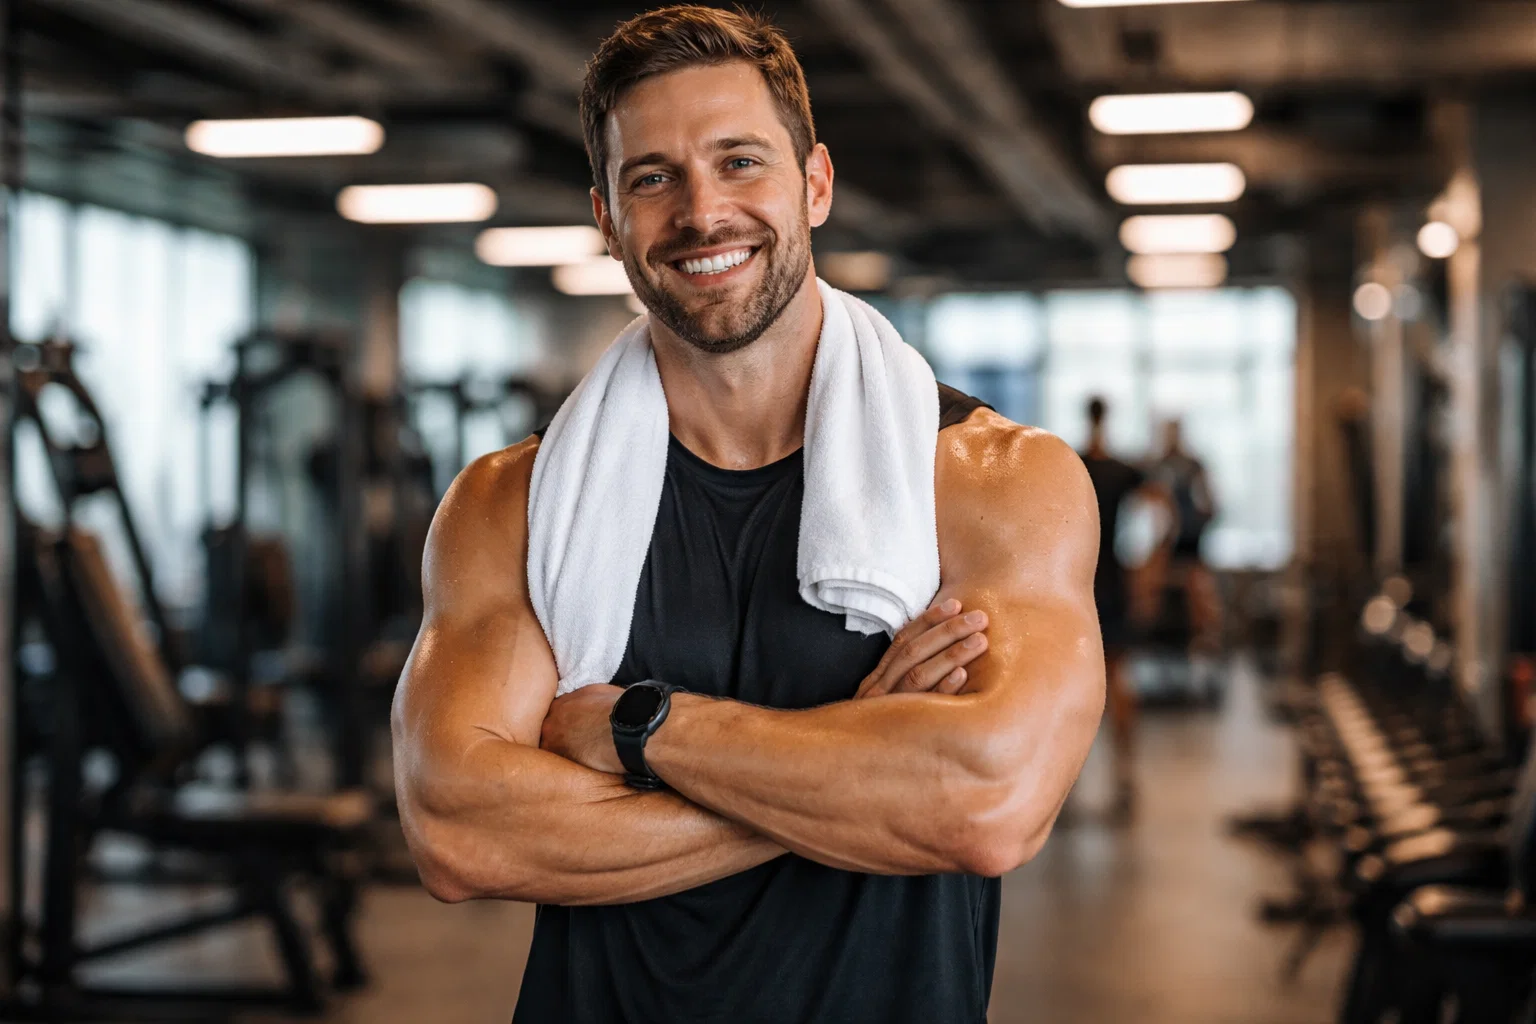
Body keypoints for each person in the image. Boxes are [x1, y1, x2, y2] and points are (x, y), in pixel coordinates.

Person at [391, 8, 1104, 1022]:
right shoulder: (512, 502)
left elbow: (987, 804)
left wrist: (643, 731)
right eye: (652, 178)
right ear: (606, 214)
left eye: (739, 162)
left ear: (814, 184)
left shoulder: (990, 483)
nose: (700, 211)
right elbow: (459, 831)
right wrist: (861, 760)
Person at [1078, 396, 1159, 818]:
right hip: (1110, 580)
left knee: (1073, 684)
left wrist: (1149, 567)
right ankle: (1124, 777)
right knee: (1118, 679)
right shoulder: (1120, 470)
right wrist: (1149, 566)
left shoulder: (1074, 464)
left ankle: (1071, 781)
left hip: (1079, 582)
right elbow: (1163, 508)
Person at [1149, 418, 1222, 655]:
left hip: (1188, 536)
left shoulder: (1191, 464)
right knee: (1153, 581)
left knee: (1196, 586)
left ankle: (1205, 633)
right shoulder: (1159, 464)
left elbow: (1211, 503)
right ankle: (1151, 633)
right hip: (1168, 538)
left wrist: (1197, 521)